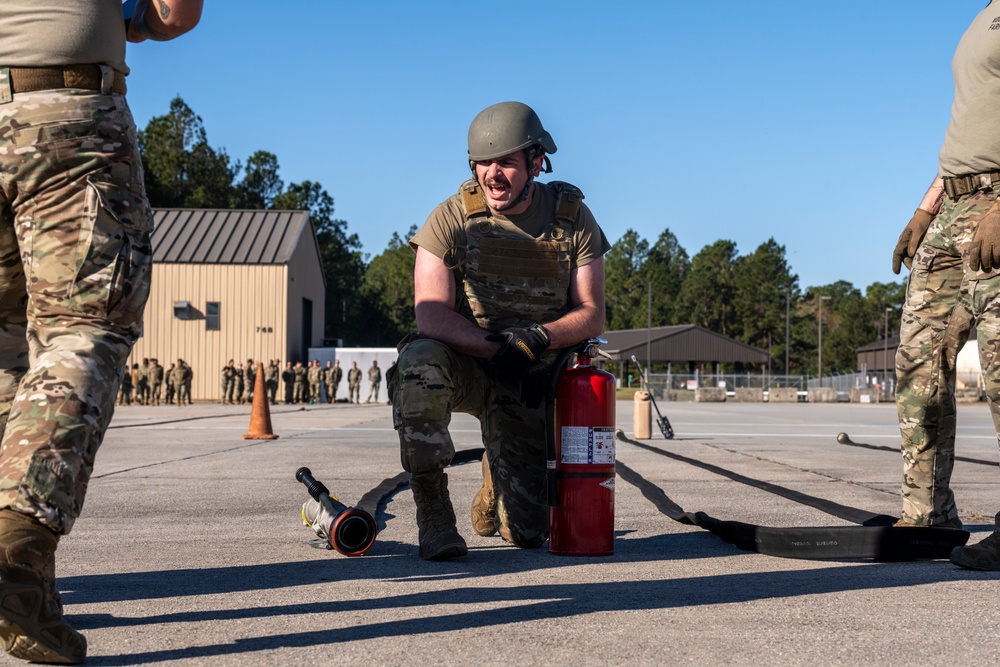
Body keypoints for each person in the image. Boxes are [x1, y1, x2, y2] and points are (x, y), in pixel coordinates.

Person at [0, 1, 202, 661]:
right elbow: (173, 12)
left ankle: (33, 597)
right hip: (63, 115)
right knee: (84, 330)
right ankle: (13, 556)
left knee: (6, 354)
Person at [388, 101, 609, 561]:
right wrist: (497, 348)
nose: (492, 174)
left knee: (526, 533)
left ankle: (495, 485)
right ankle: (434, 514)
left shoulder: (571, 218)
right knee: (418, 361)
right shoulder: (450, 218)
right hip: (471, 362)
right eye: (483, 163)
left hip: (528, 377)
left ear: (536, 162)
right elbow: (430, 315)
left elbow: (592, 313)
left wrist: (538, 340)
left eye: (506, 161)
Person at [891, 2, 1000, 570]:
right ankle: (926, 515)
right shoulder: (982, 16)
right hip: (953, 205)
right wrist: (924, 207)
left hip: (997, 204)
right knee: (917, 363)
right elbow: (972, 126)